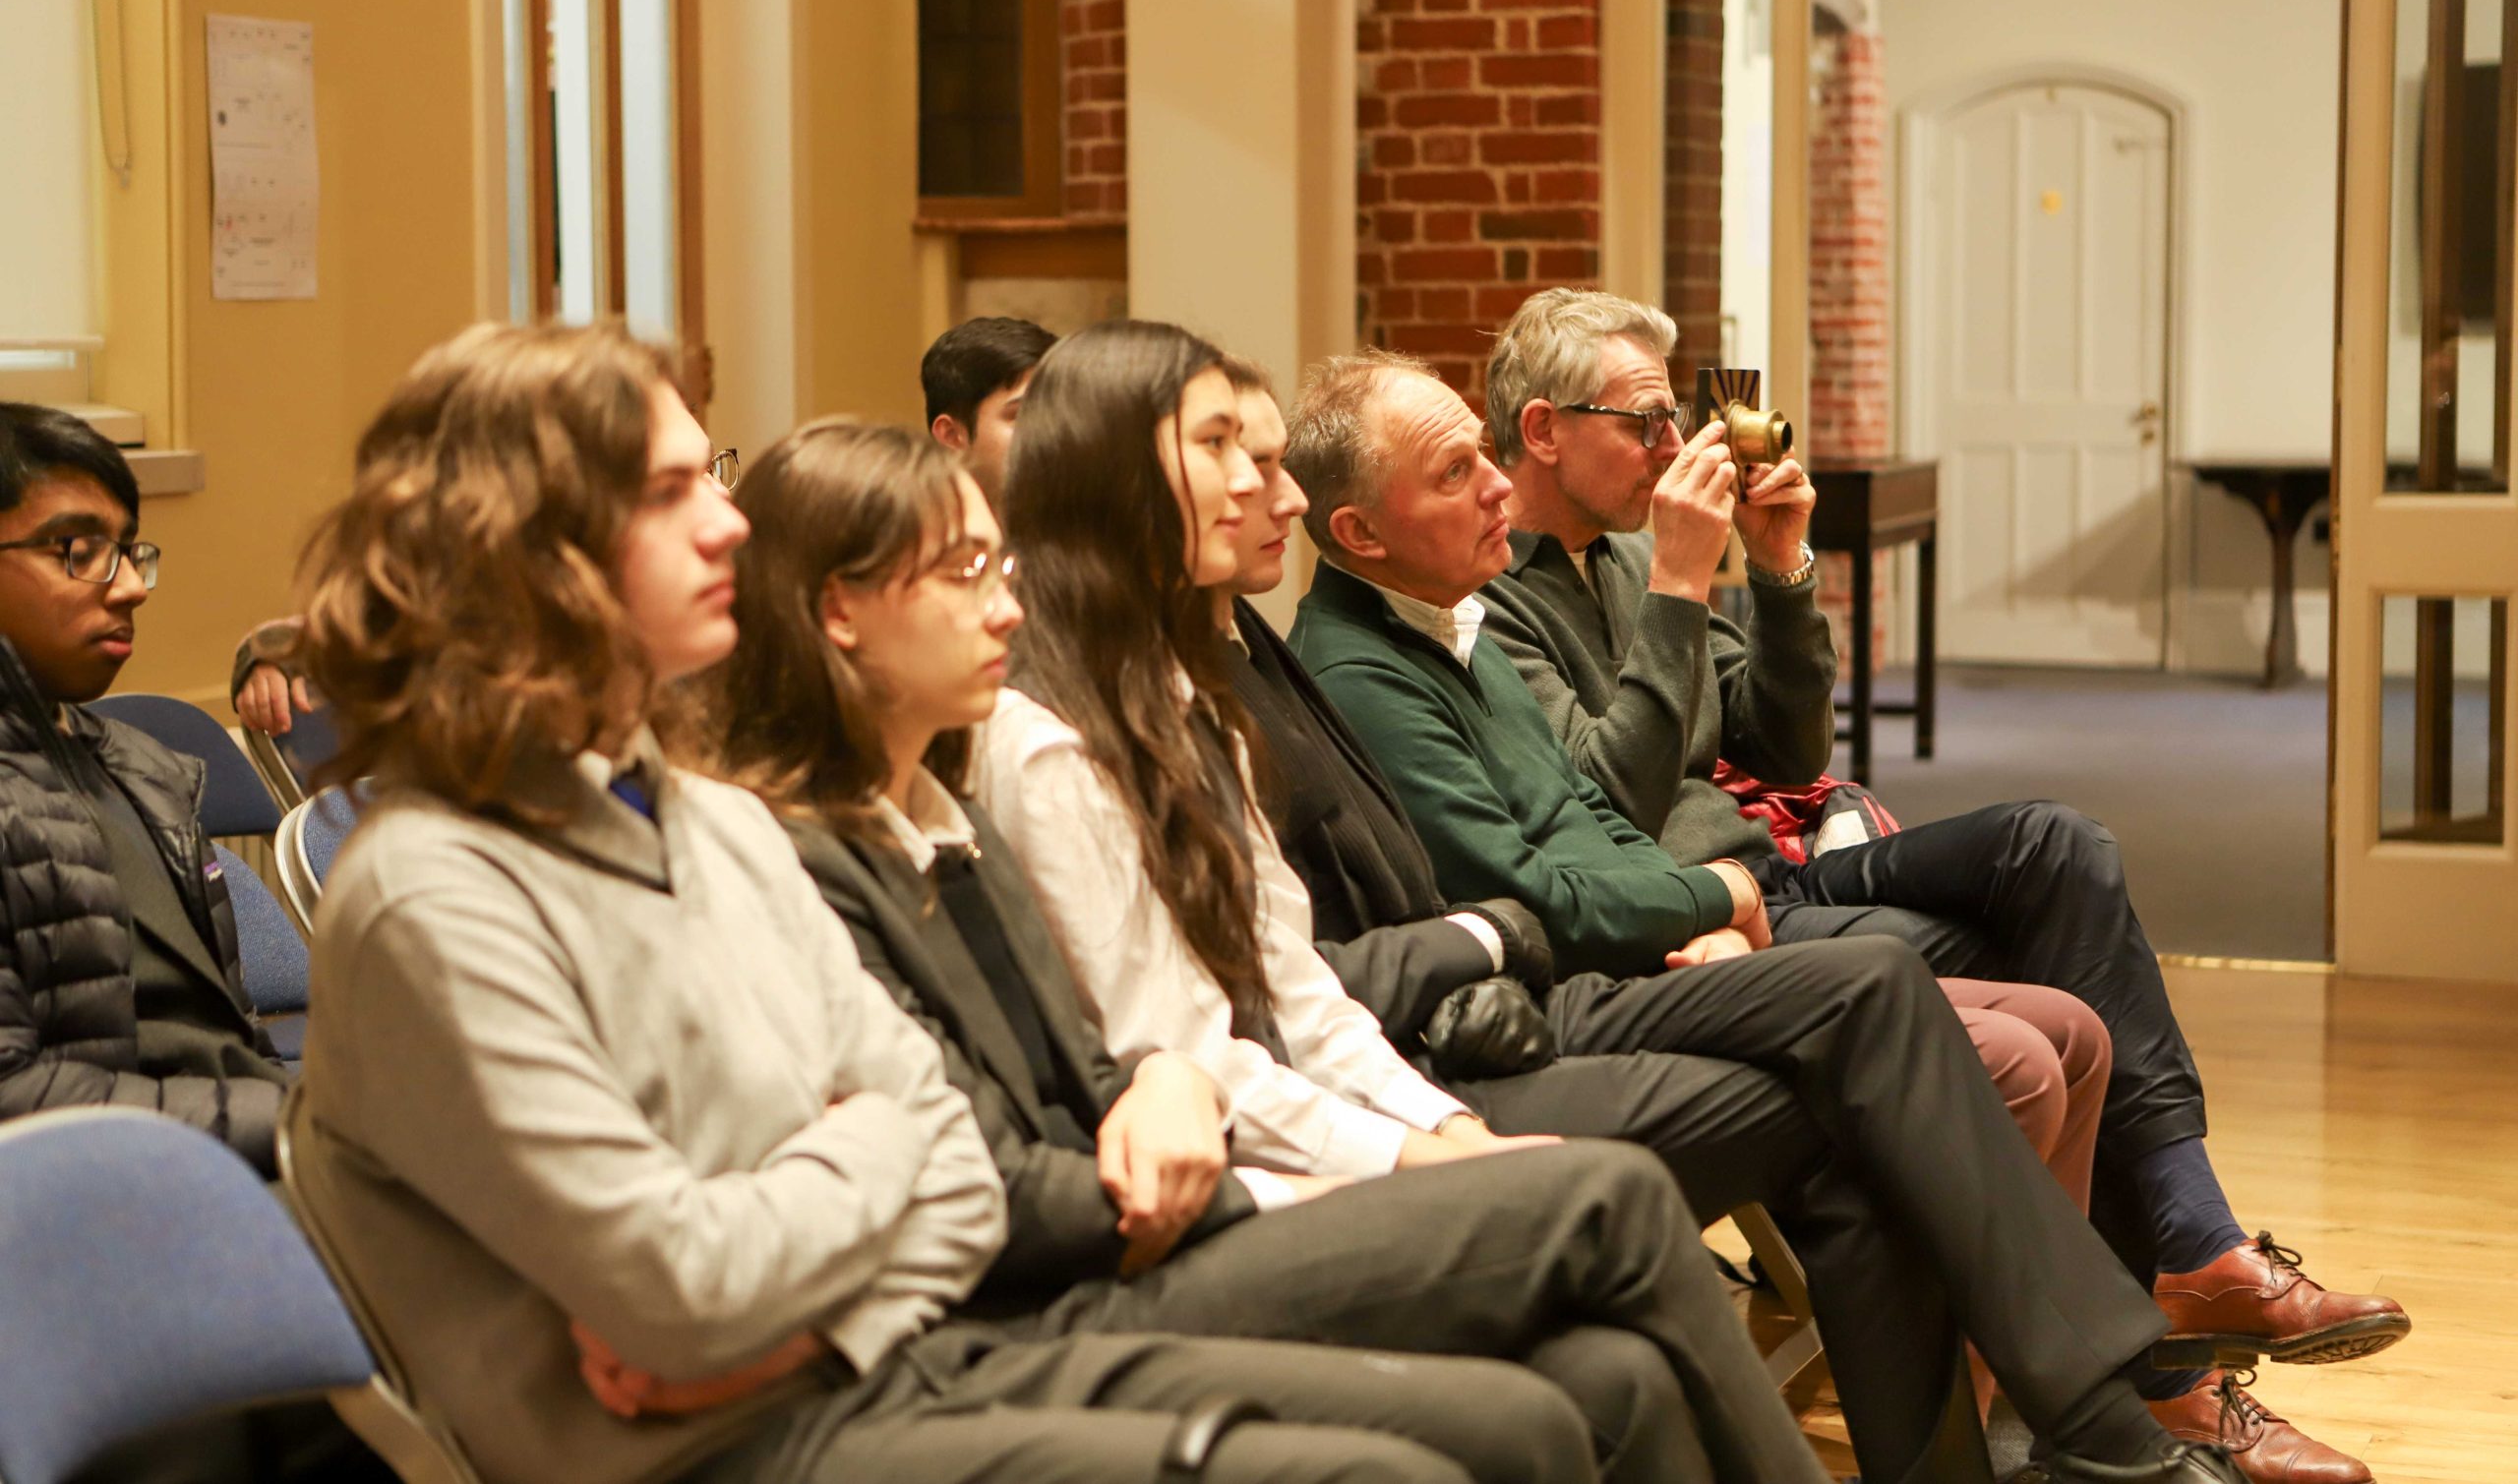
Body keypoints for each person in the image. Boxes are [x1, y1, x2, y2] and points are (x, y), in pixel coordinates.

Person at [285, 320, 1615, 1484]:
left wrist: (826, 1253)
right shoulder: (429, 892)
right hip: (728, 1447)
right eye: (670, 489)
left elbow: (945, 1155)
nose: (730, 521)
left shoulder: (700, 814)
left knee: (1531, 1420)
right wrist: (869, 1155)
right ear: (527, 549)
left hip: (868, 1359)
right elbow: (686, 1287)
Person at [979, 320, 2241, 1484]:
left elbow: (1729, 769)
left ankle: (2085, 1413)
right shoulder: (1118, 718)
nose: (1282, 493)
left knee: (1999, 909)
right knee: (1881, 1008)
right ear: (1113, 475)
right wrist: (1440, 1123)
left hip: (1499, 1000)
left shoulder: (1204, 676)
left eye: (1268, 454)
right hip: (1453, 1035)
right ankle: (2112, 1414)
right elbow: (1231, 1036)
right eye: (1223, 449)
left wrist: (1771, 589)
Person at [700, 414, 1835, 1484]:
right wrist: (1253, 1137)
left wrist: (1171, 1086)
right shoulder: (945, 794)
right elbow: (981, 1169)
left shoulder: (962, 803)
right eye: (1223, 449)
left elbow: (1139, 1052)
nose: (1273, 492)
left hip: (1186, 1171)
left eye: (1001, 570)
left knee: (1604, 1376)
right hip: (1081, 1265)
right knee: (1618, 1200)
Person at [1472, 288, 2401, 1481]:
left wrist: (1780, 571)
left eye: (1675, 418)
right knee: (2061, 999)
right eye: (1644, 421)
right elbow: (1607, 800)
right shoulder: (1498, 602)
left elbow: (1783, 749)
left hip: (1779, 875)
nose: (1672, 448)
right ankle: (2169, 1362)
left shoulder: (1638, 553)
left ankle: (2192, 1254)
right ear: (1543, 430)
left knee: (2053, 849)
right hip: (1693, 919)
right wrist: (1679, 589)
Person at [0, 403, 294, 1171]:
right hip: (106, 1218)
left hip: (238, 1169)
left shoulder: (144, 769)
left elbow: (223, 1040)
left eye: (129, 551)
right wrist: (302, 1124)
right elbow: (15, 1092)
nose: (130, 586)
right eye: (78, 551)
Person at [923, 315, 1055, 513]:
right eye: (1022, 414)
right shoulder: (913, 538)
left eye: (1058, 411)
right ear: (950, 435)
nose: (1052, 433)